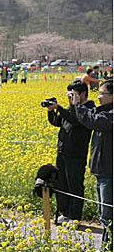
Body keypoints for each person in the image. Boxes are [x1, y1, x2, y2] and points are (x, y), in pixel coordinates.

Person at [70, 79, 113, 251]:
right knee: (105, 215)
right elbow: (89, 117)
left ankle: (108, 250)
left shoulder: (110, 115)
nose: (99, 97)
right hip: (102, 171)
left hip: (110, 172)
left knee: (108, 215)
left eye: (102, 93)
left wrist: (79, 104)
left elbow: (93, 120)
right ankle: (107, 248)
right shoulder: (104, 112)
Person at [45, 80, 95, 224]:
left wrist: (60, 107)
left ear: (83, 94)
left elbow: (76, 121)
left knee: (75, 185)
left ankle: (75, 217)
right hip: (62, 151)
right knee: (62, 184)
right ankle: (65, 213)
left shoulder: (88, 108)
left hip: (76, 154)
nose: (70, 98)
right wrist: (51, 111)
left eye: (72, 95)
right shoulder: (71, 107)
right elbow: (58, 122)